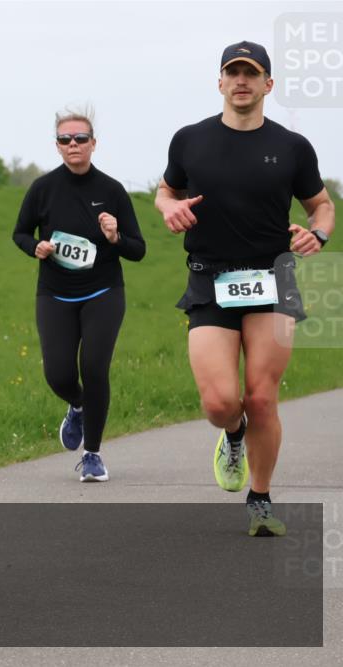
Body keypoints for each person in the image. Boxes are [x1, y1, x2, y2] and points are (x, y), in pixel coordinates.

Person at [155, 41, 334, 536]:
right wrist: (167, 207)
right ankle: (232, 436)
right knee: (220, 403)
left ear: (267, 85)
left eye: (251, 73)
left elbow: (321, 204)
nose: (241, 81)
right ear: (219, 82)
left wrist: (317, 232)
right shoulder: (189, 140)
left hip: (273, 278)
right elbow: (166, 190)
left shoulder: (293, 147)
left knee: (261, 398)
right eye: (232, 72)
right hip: (210, 278)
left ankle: (260, 497)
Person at [13, 110, 146, 482]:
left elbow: (138, 250)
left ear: (93, 143)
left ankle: (92, 454)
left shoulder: (112, 191)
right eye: (65, 139)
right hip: (55, 293)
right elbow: (19, 233)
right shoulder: (42, 188)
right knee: (58, 374)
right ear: (57, 146)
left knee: (94, 367)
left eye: (80, 138)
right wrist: (34, 247)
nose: (73, 145)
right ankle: (76, 404)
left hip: (103, 292)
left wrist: (116, 236)